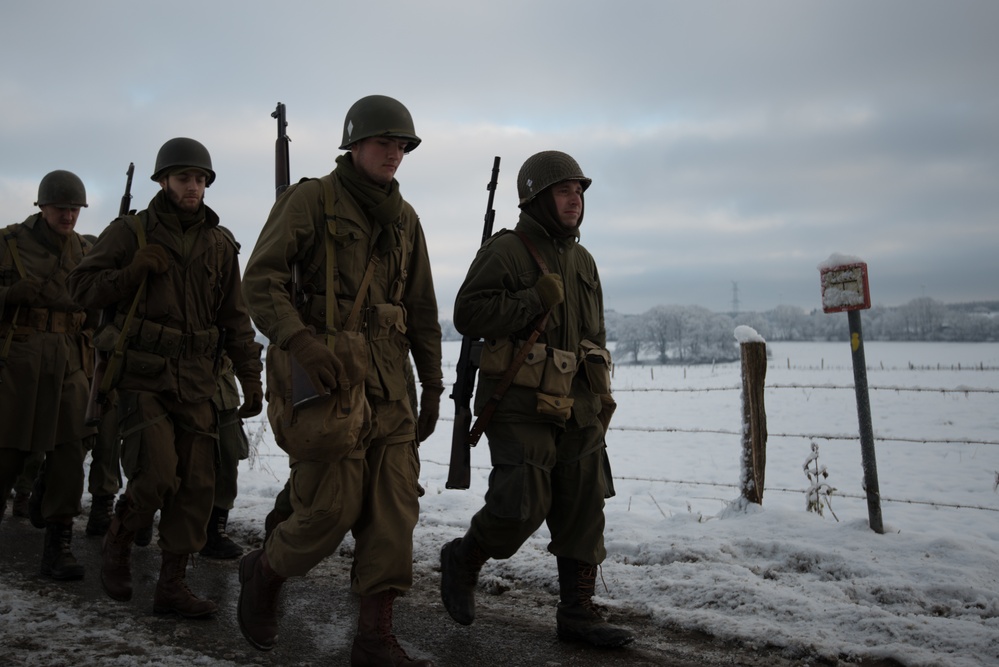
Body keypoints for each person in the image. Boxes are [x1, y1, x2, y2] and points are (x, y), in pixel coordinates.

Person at [238, 94, 442, 666]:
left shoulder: (406, 219)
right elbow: (260, 282)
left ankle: (374, 638)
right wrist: (299, 341)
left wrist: (432, 384)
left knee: (395, 512)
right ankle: (265, 573)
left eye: (402, 146)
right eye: (384, 143)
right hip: (330, 382)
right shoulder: (310, 200)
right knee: (330, 510)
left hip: (392, 384)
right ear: (354, 145)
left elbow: (422, 308)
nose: (394, 154)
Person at [439, 151, 634, 648]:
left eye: (580, 191)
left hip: (578, 403)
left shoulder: (583, 260)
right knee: (519, 506)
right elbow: (468, 314)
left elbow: (595, 333)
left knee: (584, 506)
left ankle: (577, 613)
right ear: (537, 197)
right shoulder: (508, 250)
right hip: (520, 402)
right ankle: (462, 560)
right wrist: (532, 299)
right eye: (564, 190)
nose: (575, 200)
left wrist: (599, 401)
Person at [67, 138, 264, 618]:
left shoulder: (220, 243)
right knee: (155, 476)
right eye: (183, 178)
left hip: (197, 380)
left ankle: (172, 586)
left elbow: (235, 317)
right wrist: (131, 272)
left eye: (199, 179)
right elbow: (80, 289)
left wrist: (250, 376)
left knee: (197, 485)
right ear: (163, 182)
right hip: (142, 376)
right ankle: (118, 543)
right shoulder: (129, 232)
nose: (193, 186)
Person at [0, 169, 95, 581]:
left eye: (75, 209)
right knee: (6, 452)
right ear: (42, 206)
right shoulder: (8, 244)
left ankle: (58, 546)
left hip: (70, 362)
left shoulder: (86, 251)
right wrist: (7, 296)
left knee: (69, 455)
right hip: (18, 361)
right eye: (62, 208)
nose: (69, 216)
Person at [200, 352, 251, 559]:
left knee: (228, 463)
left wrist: (251, 382)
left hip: (224, 391)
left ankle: (215, 530)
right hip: (183, 386)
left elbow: (240, 339)